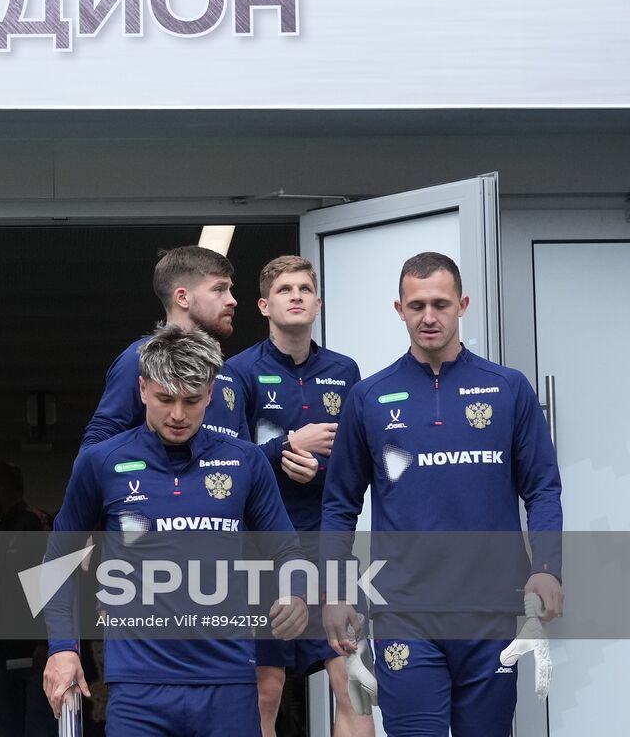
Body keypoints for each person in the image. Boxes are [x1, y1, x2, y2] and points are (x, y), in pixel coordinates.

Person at [321, 252, 563, 737]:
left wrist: (547, 567)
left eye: (440, 304)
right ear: (399, 309)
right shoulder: (369, 397)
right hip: (403, 611)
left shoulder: (508, 389)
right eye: (416, 306)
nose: (428, 317)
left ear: (462, 305)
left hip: (491, 610)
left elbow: (542, 489)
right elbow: (339, 504)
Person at [44, 324, 309, 737]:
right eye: (165, 399)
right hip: (138, 690)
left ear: (210, 393)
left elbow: (287, 548)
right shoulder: (102, 462)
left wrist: (296, 592)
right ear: (142, 389)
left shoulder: (246, 461)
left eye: (192, 399)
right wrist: (62, 648)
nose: (178, 415)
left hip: (229, 683)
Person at [223, 256, 370, 737]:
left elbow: (356, 461)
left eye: (305, 289)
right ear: (264, 305)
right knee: (266, 690)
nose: (296, 296)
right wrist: (287, 446)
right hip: (263, 548)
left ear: (318, 303)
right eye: (285, 290)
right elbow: (226, 466)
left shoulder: (345, 370)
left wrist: (319, 469)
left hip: (329, 544)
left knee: (354, 682)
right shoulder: (238, 371)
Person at [81, 246, 246, 449]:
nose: (232, 300)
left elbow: (244, 454)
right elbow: (98, 443)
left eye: (230, 290)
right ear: (182, 298)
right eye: (219, 289)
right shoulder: (140, 358)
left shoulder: (227, 370)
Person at [0, 462, 54, 737]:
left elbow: (55, 582)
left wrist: (44, 642)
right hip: (1, 655)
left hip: (34, 656)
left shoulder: (36, 523)